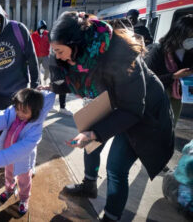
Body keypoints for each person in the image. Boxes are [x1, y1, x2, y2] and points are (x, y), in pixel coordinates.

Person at [48, 11, 174, 221]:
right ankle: (89, 186)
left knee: (116, 166)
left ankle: (112, 216)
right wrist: (54, 83)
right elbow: (69, 78)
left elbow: (133, 109)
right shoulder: (78, 53)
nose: (58, 56)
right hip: (113, 102)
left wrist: (95, 132)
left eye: (60, 51)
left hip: (141, 112)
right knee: (90, 144)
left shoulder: (119, 53)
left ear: (76, 42)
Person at [0, 88, 55, 214]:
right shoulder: (12, 114)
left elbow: (24, 148)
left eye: (24, 111)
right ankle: (9, 189)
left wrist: (3, 157)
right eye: (17, 108)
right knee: (8, 175)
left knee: (24, 181)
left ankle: (24, 199)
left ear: (35, 112)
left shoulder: (35, 129)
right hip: (8, 157)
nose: (19, 113)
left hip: (23, 160)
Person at [145, 14, 193, 125]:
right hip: (158, 96)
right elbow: (147, 79)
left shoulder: (189, 52)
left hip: (177, 96)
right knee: (155, 127)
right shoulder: (157, 50)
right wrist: (174, 76)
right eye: (190, 36)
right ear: (179, 34)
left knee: (171, 126)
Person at [31, 20, 50, 85]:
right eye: (41, 28)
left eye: (44, 28)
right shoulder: (33, 35)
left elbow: (51, 43)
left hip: (45, 55)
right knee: (37, 70)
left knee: (47, 68)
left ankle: (45, 79)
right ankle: (39, 82)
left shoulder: (47, 34)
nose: (43, 29)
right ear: (38, 28)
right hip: (37, 55)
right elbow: (31, 45)